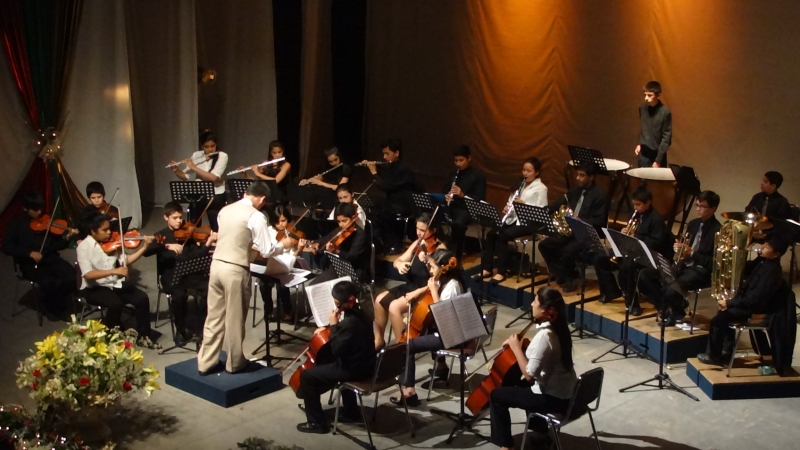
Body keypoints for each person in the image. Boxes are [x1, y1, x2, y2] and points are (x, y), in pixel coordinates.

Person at [197, 181, 293, 375]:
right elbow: (267, 250)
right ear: (262, 198)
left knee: (213, 317)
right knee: (235, 319)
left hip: (216, 266)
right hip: (235, 270)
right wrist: (284, 244)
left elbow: (234, 237)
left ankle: (205, 362)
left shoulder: (225, 210)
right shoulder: (256, 216)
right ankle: (234, 363)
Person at [488, 287, 578, 450]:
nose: (531, 304)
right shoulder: (560, 329)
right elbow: (545, 350)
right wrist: (525, 343)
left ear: (546, 310)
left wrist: (516, 348)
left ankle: (506, 446)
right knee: (520, 387)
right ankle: (540, 434)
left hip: (554, 400)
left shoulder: (545, 336)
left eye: (535, 300)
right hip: (569, 395)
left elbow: (529, 374)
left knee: (497, 396)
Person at [389, 249, 469, 407]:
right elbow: (432, 285)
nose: (430, 270)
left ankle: (409, 393)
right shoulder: (445, 278)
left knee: (407, 346)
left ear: (443, 268)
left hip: (452, 335)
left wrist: (433, 291)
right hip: (447, 330)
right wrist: (418, 291)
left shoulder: (452, 287)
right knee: (424, 329)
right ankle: (441, 368)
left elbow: (442, 317)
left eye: (432, 266)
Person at [296, 280, 376, 434]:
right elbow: (350, 340)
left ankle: (316, 423)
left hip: (355, 370)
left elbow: (336, 350)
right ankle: (350, 411)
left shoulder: (350, 323)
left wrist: (333, 326)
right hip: (369, 364)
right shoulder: (364, 314)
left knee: (307, 376)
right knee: (332, 362)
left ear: (343, 302)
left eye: (337, 303)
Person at [697, 234, 788, 366]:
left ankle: (713, 356)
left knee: (718, 320)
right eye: (764, 244)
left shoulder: (772, 272)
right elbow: (745, 268)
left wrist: (729, 303)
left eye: (767, 247)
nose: (762, 247)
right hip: (748, 304)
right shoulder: (763, 261)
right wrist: (735, 251)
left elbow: (754, 299)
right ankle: (726, 353)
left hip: (755, 310)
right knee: (723, 316)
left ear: (776, 254)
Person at [638, 191, 722, 324]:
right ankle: (667, 307)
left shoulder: (718, 231)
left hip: (700, 271)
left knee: (671, 288)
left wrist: (692, 253)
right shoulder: (693, 224)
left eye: (702, 206)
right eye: (697, 205)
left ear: (713, 208)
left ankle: (675, 311)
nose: (698, 209)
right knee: (645, 275)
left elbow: (713, 262)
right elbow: (684, 246)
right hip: (683, 264)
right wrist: (678, 248)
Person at [77, 212, 158, 348]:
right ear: (93, 231)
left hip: (114, 283)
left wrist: (144, 247)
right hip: (94, 288)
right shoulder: (83, 247)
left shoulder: (113, 242)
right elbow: (88, 274)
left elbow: (126, 260)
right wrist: (114, 271)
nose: (109, 232)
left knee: (142, 298)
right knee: (115, 303)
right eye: (104, 230)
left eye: (109, 228)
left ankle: (144, 336)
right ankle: (110, 337)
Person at [538, 162, 618, 299]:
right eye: (577, 174)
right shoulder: (575, 191)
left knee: (567, 251)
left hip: (586, 233)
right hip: (570, 230)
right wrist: (545, 211)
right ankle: (562, 274)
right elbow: (559, 202)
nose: (577, 178)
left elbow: (600, 221)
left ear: (591, 177)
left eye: (582, 175)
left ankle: (571, 277)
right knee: (545, 245)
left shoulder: (600, 195)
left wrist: (581, 220)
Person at [143, 202, 218, 345]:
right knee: (179, 296)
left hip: (189, 274)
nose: (179, 221)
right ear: (166, 217)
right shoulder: (161, 235)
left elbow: (195, 255)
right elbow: (147, 252)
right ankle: (181, 330)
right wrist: (166, 246)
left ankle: (203, 327)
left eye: (180, 217)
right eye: (175, 218)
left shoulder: (188, 235)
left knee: (209, 289)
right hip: (172, 276)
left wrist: (208, 243)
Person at [2, 190, 78, 320]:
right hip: (29, 263)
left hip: (50, 258)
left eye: (40, 208)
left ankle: (53, 299)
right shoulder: (17, 223)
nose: (39, 212)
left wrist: (67, 238)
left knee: (72, 276)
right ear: (25, 208)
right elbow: (6, 246)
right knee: (48, 282)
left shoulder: (46, 220)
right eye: (35, 209)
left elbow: (56, 246)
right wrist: (29, 253)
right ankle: (55, 309)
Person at [373, 212, 444, 349]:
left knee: (394, 307)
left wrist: (428, 260)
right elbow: (398, 260)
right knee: (379, 300)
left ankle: (402, 347)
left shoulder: (440, 249)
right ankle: (379, 341)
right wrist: (399, 264)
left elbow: (438, 279)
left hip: (425, 290)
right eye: (417, 228)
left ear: (433, 230)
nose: (418, 233)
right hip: (411, 284)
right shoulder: (418, 243)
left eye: (423, 230)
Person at [479, 157, 548, 284]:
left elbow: (541, 210)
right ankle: (487, 268)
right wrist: (508, 208)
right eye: (524, 170)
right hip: (513, 219)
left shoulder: (541, 188)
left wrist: (524, 204)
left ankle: (501, 272)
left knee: (503, 236)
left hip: (528, 223)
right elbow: (511, 201)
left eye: (529, 171)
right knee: (491, 234)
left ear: (537, 172)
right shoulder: (519, 185)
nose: (525, 173)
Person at [611, 187, 673, 315]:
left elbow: (656, 243)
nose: (635, 207)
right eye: (634, 204)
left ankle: (633, 303)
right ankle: (624, 292)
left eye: (638, 204)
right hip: (636, 250)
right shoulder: (635, 214)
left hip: (652, 254)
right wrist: (624, 232)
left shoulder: (656, 219)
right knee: (609, 256)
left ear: (648, 202)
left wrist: (635, 237)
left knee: (627, 267)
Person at [361, 139, 417, 254]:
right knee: (372, 210)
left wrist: (374, 172)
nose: (384, 157)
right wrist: (369, 165)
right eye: (383, 154)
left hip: (403, 205)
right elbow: (384, 173)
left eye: (387, 153)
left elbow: (386, 186)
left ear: (396, 153)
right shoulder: (393, 166)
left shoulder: (403, 169)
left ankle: (394, 244)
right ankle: (380, 244)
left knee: (380, 214)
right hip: (393, 203)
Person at [256, 204, 308, 322]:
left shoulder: (293, 233)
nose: (281, 224)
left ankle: (287, 310)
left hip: (286, 264)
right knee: (263, 284)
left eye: (283, 221)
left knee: (282, 285)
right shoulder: (268, 232)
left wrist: (299, 249)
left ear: (288, 219)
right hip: (269, 264)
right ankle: (268, 309)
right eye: (277, 221)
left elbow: (294, 256)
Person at [170, 130, 229, 231]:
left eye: (213, 146)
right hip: (199, 194)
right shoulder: (197, 155)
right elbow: (185, 176)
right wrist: (176, 170)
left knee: (215, 226)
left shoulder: (222, 156)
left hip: (216, 195)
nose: (210, 149)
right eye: (207, 147)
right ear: (202, 146)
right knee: (193, 224)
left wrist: (194, 167)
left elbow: (213, 178)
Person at [307, 202, 369, 285]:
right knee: (313, 286)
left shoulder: (360, 234)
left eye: (344, 221)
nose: (341, 225)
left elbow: (352, 256)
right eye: (339, 221)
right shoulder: (339, 230)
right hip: (337, 267)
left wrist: (336, 251)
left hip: (353, 270)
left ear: (353, 217)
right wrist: (317, 243)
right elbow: (325, 238)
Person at [443, 145, 486, 262]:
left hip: (468, 209)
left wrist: (462, 194)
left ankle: (455, 256)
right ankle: (442, 248)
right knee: (432, 217)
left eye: (461, 160)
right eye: (456, 160)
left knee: (458, 223)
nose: (458, 164)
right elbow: (445, 190)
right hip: (453, 206)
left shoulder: (478, 176)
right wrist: (446, 196)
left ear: (469, 158)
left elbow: (480, 199)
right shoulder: (453, 174)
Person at [635, 80, 672, 168]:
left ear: (658, 95)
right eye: (645, 95)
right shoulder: (642, 108)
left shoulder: (665, 112)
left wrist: (658, 161)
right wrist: (640, 143)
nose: (646, 98)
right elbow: (643, 128)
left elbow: (666, 138)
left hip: (658, 154)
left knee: (656, 177)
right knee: (642, 176)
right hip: (644, 153)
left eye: (649, 95)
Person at [245, 140, 292, 205]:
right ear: (270, 153)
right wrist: (246, 175)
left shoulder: (286, 165)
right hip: (267, 193)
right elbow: (258, 181)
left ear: (283, 151)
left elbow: (275, 181)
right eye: (274, 153)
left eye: (279, 152)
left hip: (280, 195)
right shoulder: (266, 164)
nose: (277, 155)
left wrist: (258, 173)